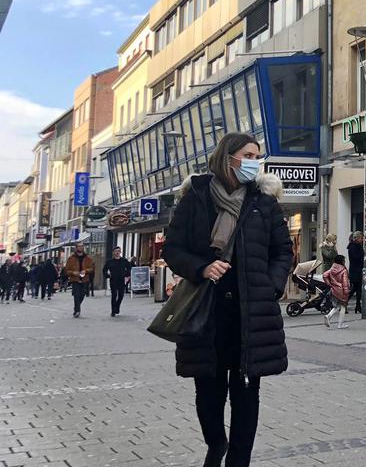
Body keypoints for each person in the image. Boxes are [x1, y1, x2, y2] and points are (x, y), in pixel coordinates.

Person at [162, 132, 292, 467]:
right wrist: (202, 267)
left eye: (258, 156)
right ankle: (216, 443)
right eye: (248, 154)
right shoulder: (197, 197)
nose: (255, 162)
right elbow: (173, 249)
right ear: (228, 157)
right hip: (206, 311)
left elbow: (282, 251)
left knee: (247, 395)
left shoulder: (264, 202)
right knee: (208, 392)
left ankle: (238, 460)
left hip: (251, 313)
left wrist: (271, 286)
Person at [64, 244, 95, 317]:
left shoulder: (88, 258)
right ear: (76, 248)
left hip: (84, 279)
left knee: (82, 295)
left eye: (82, 246)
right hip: (75, 279)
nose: (81, 248)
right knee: (76, 295)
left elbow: (92, 268)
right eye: (79, 246)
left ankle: (76, 307)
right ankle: (77, 311)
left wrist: (86, 271)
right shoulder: (71, 258)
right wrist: (73, 272)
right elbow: (66, 270)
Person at [322, 254, 351, 329]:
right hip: (341, 290)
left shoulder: (332, 268)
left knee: (337, 305)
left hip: (334, 289)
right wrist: (346, 291)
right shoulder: (343, 270)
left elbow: (324, 275)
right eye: (344, 260)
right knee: (343, 306)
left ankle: (328, 316)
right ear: (342, 261)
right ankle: (340, 324)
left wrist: (329, 284)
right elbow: (345, 282)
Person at [104, 247, 133, 317]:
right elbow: (104, 270)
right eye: (116, 251)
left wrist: (126, 273)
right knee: (114, 295)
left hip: (121, 279)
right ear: (113, 252)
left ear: (120, 252)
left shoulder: (124, 260)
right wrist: (107, 275)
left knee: (121, 295)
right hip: (113, 279)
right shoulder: (110, 261)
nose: (117, 252)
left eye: (118, 251)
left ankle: (117, 305)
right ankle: (113, 310)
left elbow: (129, 267)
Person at [346, 232, 364, 313]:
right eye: (361, 238)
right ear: (357, 238)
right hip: (355, 270)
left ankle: (358, 306)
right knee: (354, 288)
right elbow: (355, 258)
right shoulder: (352, 247)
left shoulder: (358, 246)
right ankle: (344, 302)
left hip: (359, 270)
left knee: (358, 289)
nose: (362, 240)